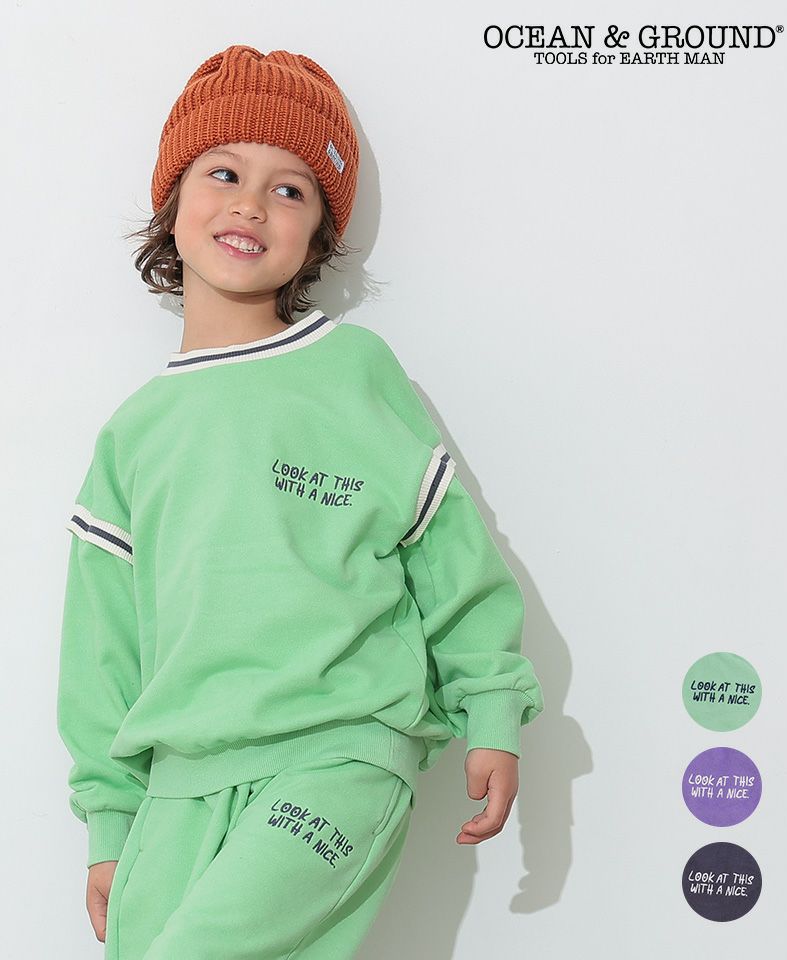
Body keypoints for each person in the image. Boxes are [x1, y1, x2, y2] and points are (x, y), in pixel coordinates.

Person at [56, 44, 545, 960]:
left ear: (318, 234)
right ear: (174, 198)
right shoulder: (132, 434)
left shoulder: (353, 375)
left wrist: (491, 707)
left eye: (290, 189)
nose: (250, 203)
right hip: (179, 784)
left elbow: (450, 557)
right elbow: (102, 649)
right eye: (224, 173)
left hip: (339, 756)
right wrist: (111, 820)